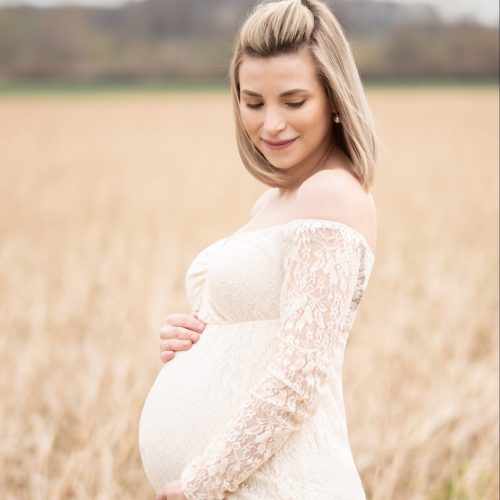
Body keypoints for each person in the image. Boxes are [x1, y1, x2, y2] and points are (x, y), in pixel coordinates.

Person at [139, 0, 377, 498]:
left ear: (333, 98)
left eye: (294, 102)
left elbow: (299, 376)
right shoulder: (274, 200)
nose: (271, 125)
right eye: (254, 103)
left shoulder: (329, 194)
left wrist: (202, 484)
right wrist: (196, 335)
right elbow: (261, 335)